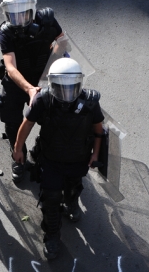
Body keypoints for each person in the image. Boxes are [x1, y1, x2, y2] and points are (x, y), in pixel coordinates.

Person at [13, 58, 105, 260]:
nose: (66, 94)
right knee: (51, 199)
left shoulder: (90, 102)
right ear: (52, 84)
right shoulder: (43, 99)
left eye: (71, 88)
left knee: (73, 187)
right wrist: (18, 148)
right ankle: (52, 235)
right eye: (61, 88)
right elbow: (27, 124)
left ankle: (71, 202)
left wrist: (95, 154)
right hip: (51, 160)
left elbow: (99, 130)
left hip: (78, 159)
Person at [0, 0, 63, 183]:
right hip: (19, 81)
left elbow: (63, 42)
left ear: (32, 11)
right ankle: (19, 156)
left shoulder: (47, 20)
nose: (18, 21)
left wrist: (51, 67)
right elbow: (10, 67)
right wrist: (29, 89)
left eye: (23, 15)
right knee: (11, 120)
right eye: (13, 16)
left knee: (53, 119)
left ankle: (41, 152)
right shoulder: (6, 32)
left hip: (44, 78)